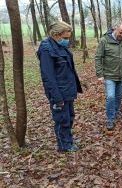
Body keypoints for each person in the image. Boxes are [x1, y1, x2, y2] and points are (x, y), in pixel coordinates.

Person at [37, 21, 82, 152]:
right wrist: (57, 98)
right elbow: (48, 77)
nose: (67, 41)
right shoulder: (46, 49)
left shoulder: (60, 46)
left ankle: (67, 140)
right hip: (59, 93)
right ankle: (64, 146)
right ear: (56, 35)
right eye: (66, 38)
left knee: (70, 117)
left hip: (67, 91)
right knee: (62, 119)